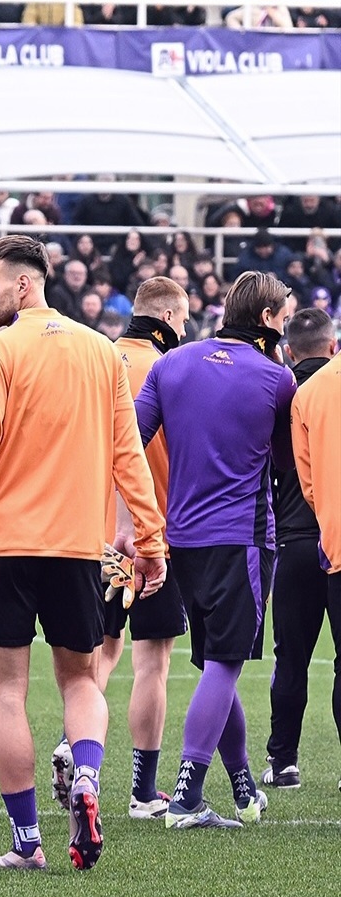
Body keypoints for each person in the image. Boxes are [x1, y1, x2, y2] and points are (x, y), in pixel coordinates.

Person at [0, 236, 166, 872]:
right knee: (82, 680)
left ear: (24, 287)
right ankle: (87, 777)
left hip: (5, 548)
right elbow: (129, 455)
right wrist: (149, 540)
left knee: (7, 693)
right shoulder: (101, 350)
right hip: (78, 552)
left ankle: (28, 841)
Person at [131, 272, 297, 830]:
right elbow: (282, 461)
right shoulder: (277, 379)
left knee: (211, 665)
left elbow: (129, 440)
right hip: (243, 538)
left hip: (182, 539)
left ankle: (243, 784)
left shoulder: (169, 363)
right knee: (225, 664)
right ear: (270, 318)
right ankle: (187, 795)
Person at [53, 277, 191, 822]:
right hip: (153, 528)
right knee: (152, 660)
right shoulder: (172, 370)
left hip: (91, 531)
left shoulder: (94, 358)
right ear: (168, 317)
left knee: (96, 658)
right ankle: (143, 790)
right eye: (182, 321)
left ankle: (74, 746)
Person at [268, 309, 339, 788]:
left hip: (295, 537)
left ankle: (283, 761)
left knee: (290, 656)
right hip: (334, 537)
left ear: (290, 351)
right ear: (332, 346)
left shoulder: (284, 393)